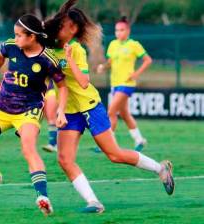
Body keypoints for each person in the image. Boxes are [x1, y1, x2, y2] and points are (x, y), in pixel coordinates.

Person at [45, 0, 174, 213]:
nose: (62, 27)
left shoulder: (76, 50)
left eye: (68, 25)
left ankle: (160, 168)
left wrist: (70, 60)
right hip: (68, 111)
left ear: (74, 30)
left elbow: (84, 82)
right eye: (62, 23)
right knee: (64, 159)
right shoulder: (48, 49)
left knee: (114, 155)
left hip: (90, 106)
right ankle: (94, 203)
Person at [0, 14, 68, 216]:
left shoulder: (48, 59)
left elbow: (62, 87)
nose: (15, 39)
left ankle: (42, 196)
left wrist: (61, 110)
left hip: (29, 111)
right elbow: (0, 57)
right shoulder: (11, 46)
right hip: (2, 109)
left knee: (28, 149)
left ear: (32, 37)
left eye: (19, 35)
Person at [97, 16, 152, 151]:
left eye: (121, 30)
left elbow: (148, 60)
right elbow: (110, 62)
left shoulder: (134, 45)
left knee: (111, 111)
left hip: (126, 84)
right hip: (115, 84)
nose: (118, 33)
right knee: (125, 114)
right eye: (117, 30)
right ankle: (140, 140)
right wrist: (103, 67)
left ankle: (108, 144)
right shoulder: (113, 45)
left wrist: (136, 74)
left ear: (128, 31)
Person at [42, 79, 59, 152]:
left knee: (52, 117)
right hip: (46, 91)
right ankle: (55, 144)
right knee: (49, 118)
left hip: (53, 90)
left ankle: (52, 144)